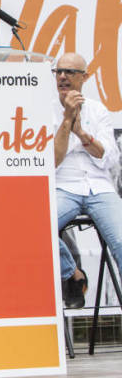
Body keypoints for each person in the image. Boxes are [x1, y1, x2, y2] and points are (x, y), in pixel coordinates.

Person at [53, 53, 122, 308]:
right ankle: (73, 274)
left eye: (69, 72)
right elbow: (52, 160)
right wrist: (66, 119)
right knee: (36, 226)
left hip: (99, 186)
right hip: (63, 186)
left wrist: (80, 132)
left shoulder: (98, 110)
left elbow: (105, 156)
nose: (62, 76)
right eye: (58, 71)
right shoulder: (44, 108)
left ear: (85, 77)